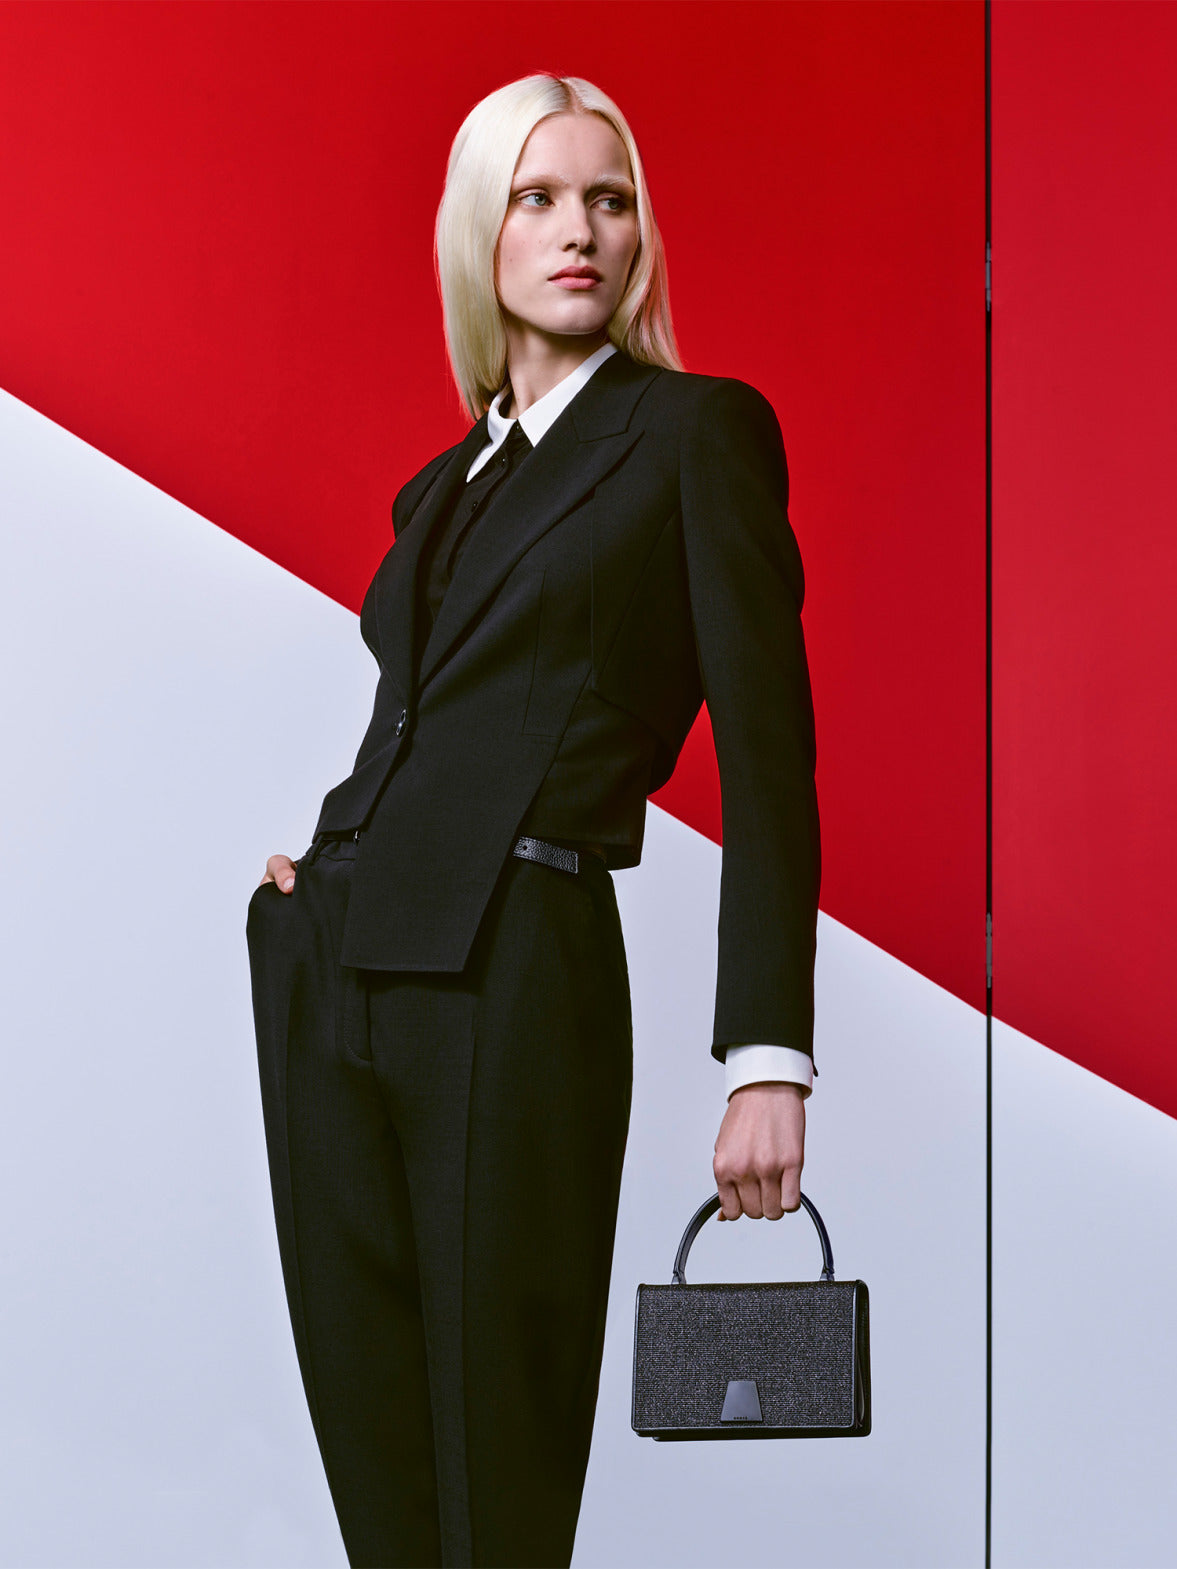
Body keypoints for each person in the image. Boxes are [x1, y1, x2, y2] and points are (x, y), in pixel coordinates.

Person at [245, 71, 819, 1569]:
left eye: (611, 199)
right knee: (380, 1490)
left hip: (518, 971)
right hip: (338, 976)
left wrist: (765, 1056)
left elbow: (769, 762)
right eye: (540, 196)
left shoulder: (695, 435)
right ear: (478, 235)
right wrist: (316, 877)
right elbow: (418, 720)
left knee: (495, 1496)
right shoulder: (436, 486)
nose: (581, 231)